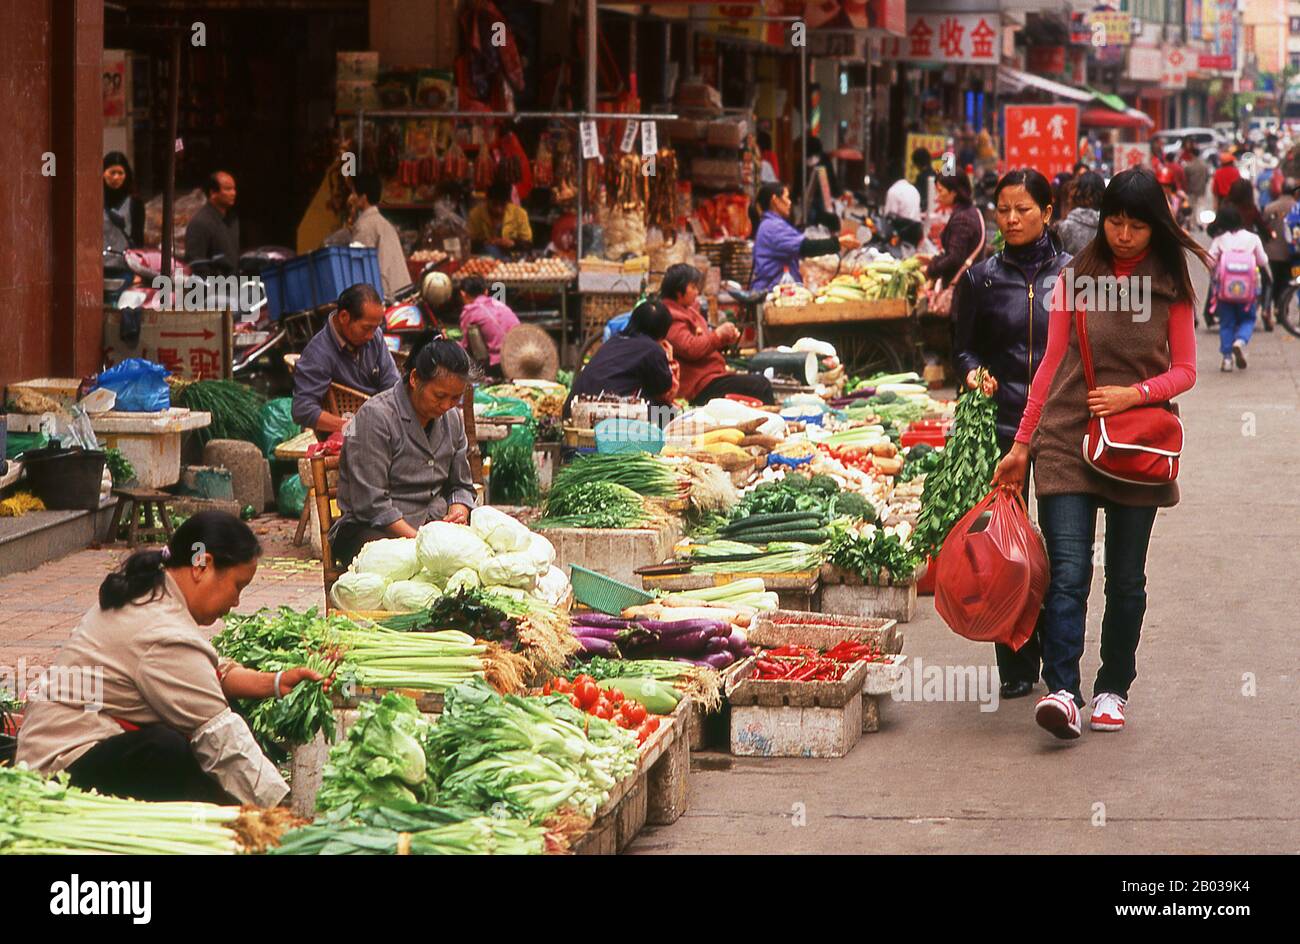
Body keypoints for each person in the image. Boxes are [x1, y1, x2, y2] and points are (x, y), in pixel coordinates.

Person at [992, 168, 1211, 740]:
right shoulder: (1077, 276)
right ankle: (1063, 690)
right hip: (1067, 436)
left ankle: (1114, 687)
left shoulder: (1170, 284)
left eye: (1137, 225)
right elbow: (1050, 363)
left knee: (1126, 579)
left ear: (1155, 226)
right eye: (1115, 221)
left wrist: (1132, 395)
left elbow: (1186, 370)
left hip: (1137, 441)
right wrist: (1021, 445)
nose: (1123, 234)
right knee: (1067, 573)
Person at [16, 512, 322, 804]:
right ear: (202, 566)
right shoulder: (161, 629)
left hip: (78, 744)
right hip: (56, 770)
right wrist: (283, 808)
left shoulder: (156, 592)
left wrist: (276, 681)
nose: (236, 601)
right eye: (237, 585)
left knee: (216, 719)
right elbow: (220, 735)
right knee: (167, 750)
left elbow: (207, 674)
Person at [953, 168, 1070, 700]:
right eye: (1003, 210)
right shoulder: (980, 279)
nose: (1012, 219)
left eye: (1023, 209)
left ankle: (1059, 649)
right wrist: (974, 372)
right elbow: (962, 348)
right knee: (1006, 551)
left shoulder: (1074, 276)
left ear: (1048, 212)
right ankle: (1017, 658)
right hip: (1003, 432)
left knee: (1066, 551)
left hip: (1063, 431)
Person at [330, 339, 477, 569]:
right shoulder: (375, 417)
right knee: (401, 564)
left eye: (455, 398)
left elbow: (460, 485)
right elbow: (371, 504)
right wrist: (419, 543)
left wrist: (459, 508)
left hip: (431, 527)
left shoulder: (453, 419)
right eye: (439, 396)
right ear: (415, 379)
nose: (446, 405)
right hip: (371, 529)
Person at [291, 282, 401, 435]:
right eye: (366, 328)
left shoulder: (375, 336)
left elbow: (392, 385)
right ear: (343, 317)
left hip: (382, 424)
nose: (371, 335)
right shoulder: (318, 353)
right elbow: (302, 409)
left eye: (375, 327)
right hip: (347, 435)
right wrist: (352, 427)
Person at [661, 263, 774, 405]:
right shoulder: (670, 316)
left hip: (712, 377)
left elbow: (705, 342)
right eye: (693, 288)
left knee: (759, 381)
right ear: (678, 291)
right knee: (760, 385)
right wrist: (717, 335)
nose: (697, 292)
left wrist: (724, 339)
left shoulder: (688, 310)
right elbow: (690, 348)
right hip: (699, 385)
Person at [565, 299, 679, 418]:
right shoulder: (652, 349)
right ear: (662, 332)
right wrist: (668, 357)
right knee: (667, 413)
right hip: (602, 417)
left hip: (572, 411)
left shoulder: (613, 341)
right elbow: (664, 388)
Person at [750, 181, 855, 293]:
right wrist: (839, 242)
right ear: (775, 200)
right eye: (787, 198)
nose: (790, 203)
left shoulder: (770, 224)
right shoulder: (773, 227)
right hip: (772, 291)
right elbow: (806, 247)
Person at [1207, 205, 1269, 373]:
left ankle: (1227, 359)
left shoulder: (1219, 240)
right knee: (1248, 319)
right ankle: (1240, 341)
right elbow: (1263, 261)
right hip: (1248, 292)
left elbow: (1210, 261)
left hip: (1224, 291)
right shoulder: (1252, 238)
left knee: (1226, 324)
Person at [349, 172, 411, 299]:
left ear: (363, 198)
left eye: (354, 193)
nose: (351, 198)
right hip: (402, 290)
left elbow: (359, 268)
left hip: (388, 295)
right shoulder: (383, 223)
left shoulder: (365, 226)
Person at [920, 174, 984, 291]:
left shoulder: (962, 218)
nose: (937, 197)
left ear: (954, 192)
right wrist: (934, 260)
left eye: (940, 191)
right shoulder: (968, 211)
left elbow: (955, 257)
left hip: (963, 289)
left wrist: (930, 270)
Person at [456, 274, 520, 379]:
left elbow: (465, 346)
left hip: (499, 363)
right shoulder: (500, 304)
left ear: (463, 294)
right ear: (486, 291)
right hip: (521, 355)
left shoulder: (470, 311)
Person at [185, 170, 240, 276]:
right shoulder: (200, 222)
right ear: (213, 192)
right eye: (228, 189)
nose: (233, 193)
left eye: (234, 189)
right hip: (213, 289)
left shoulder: (233, 219)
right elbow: (196, 262)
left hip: (233, 286)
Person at [1261, 176, 1299, 322]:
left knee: (1271, 282)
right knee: (1287, 283)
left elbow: (1263, 228)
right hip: (1292, 253)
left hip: (1271, 253)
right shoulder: (1296, 208)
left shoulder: (1270, 207)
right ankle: (1282, 310)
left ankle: (1268, 309)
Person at [468, 180, 532, 257]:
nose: (498, 209)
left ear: (508, 202)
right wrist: (485, 242)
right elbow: (468, 243)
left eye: (502, 205)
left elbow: (528, 244)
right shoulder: (476, 214)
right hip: (485, 258)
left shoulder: (520, 214)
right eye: (494, 204)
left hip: (513, 258)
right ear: (487, 201)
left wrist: (512, 243)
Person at [1055, 171, 1104, 255]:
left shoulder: (1066, 227)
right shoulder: (1108, 225)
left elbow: (1066, 263)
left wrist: (1073, 269)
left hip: (1074, 268)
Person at [102, 151, 144, 248]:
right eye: (112, 173)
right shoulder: (94, 201)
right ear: (103, 174)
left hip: (123, 260)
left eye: (120, 173)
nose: (116, 177)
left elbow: (138, 240)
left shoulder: (135, 204)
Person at [883, 165, 923, 242]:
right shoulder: (913, 189)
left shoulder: (893, 191)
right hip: (916, 232)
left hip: (903, 234)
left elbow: (889, 216)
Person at [1180, 139, 1210, 228]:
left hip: (1191, 189)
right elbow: (1207, 178)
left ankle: (1192, 223)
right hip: (1201, 189)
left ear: (1192, 154)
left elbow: (1185, 178)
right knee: (1200, 206)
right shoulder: (1204, 165)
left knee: (1192, 207)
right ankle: (1200, 222)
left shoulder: (1189, 166)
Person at [911, 147, 938, 214]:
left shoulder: (920, 177)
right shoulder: (936, 174)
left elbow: (919, 197)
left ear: (918, 163)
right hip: (936, 209)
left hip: (924, 211)